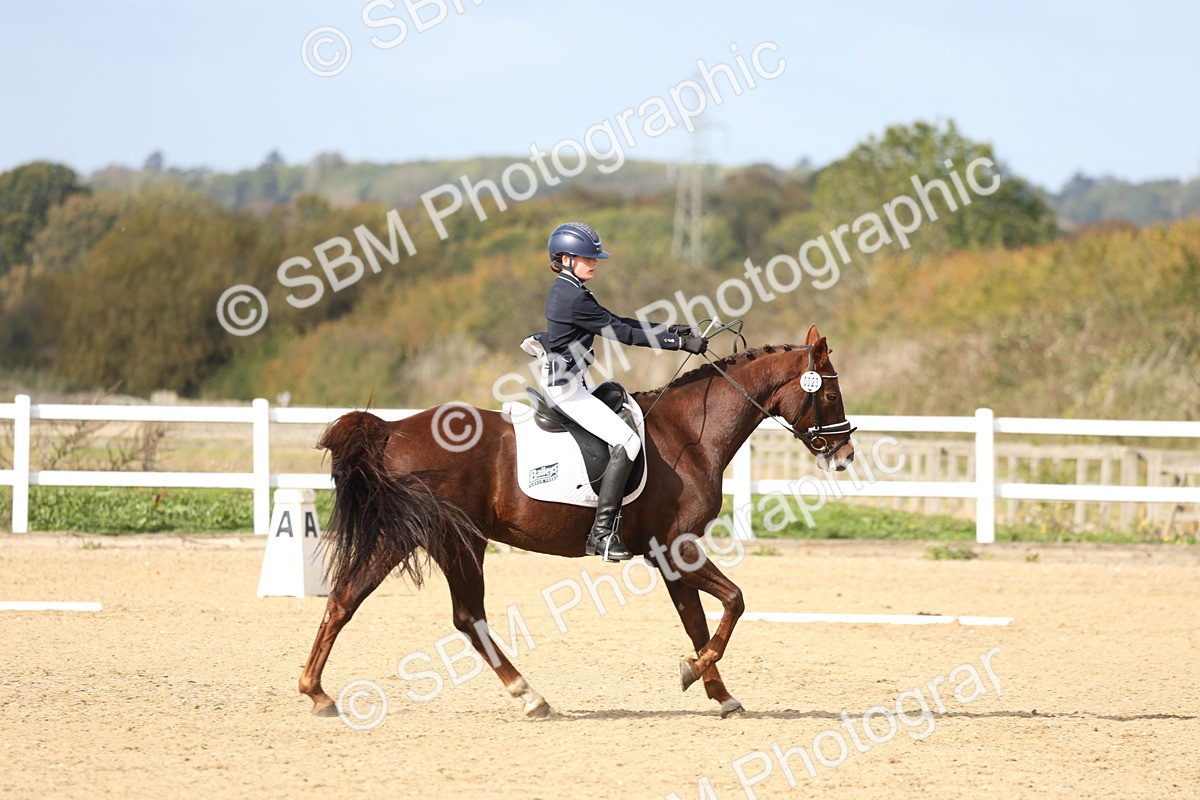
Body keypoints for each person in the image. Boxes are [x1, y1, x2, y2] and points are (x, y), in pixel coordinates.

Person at [540, 221, 707, 561]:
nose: (595, 262)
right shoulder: (572, 297)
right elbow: (622, 333)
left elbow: (616, 320)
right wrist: (678, 343)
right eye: (588, 257)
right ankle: (601, 533)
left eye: (594, 257)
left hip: (572, 382)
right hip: (566, 389)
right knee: (627, 441)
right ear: (565, 258)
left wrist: (670, 329)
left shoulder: (572, 289)